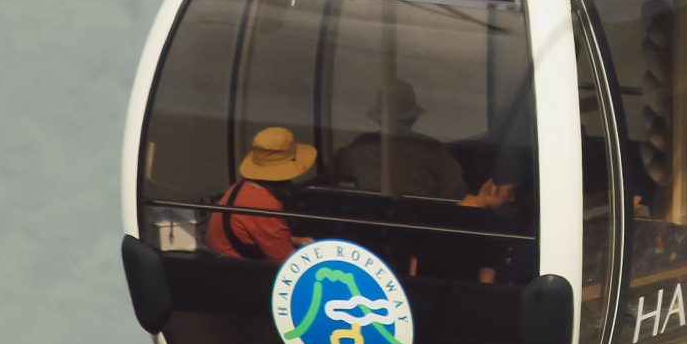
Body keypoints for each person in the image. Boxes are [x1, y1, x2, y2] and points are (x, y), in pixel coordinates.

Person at [335, 80, 512, 209]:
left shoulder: (355, 150)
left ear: (379, 118)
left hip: (368, 230)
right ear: (414, 117)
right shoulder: (434, 151)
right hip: (423, 231)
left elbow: (335, 177)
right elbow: (457, 199)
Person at [206, 125, 314, 263]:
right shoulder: (264, 204)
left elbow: (258, 234)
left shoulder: (240, 187)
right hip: (240, 274)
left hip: (220, 265)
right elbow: (287, 262)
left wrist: (296, 240)